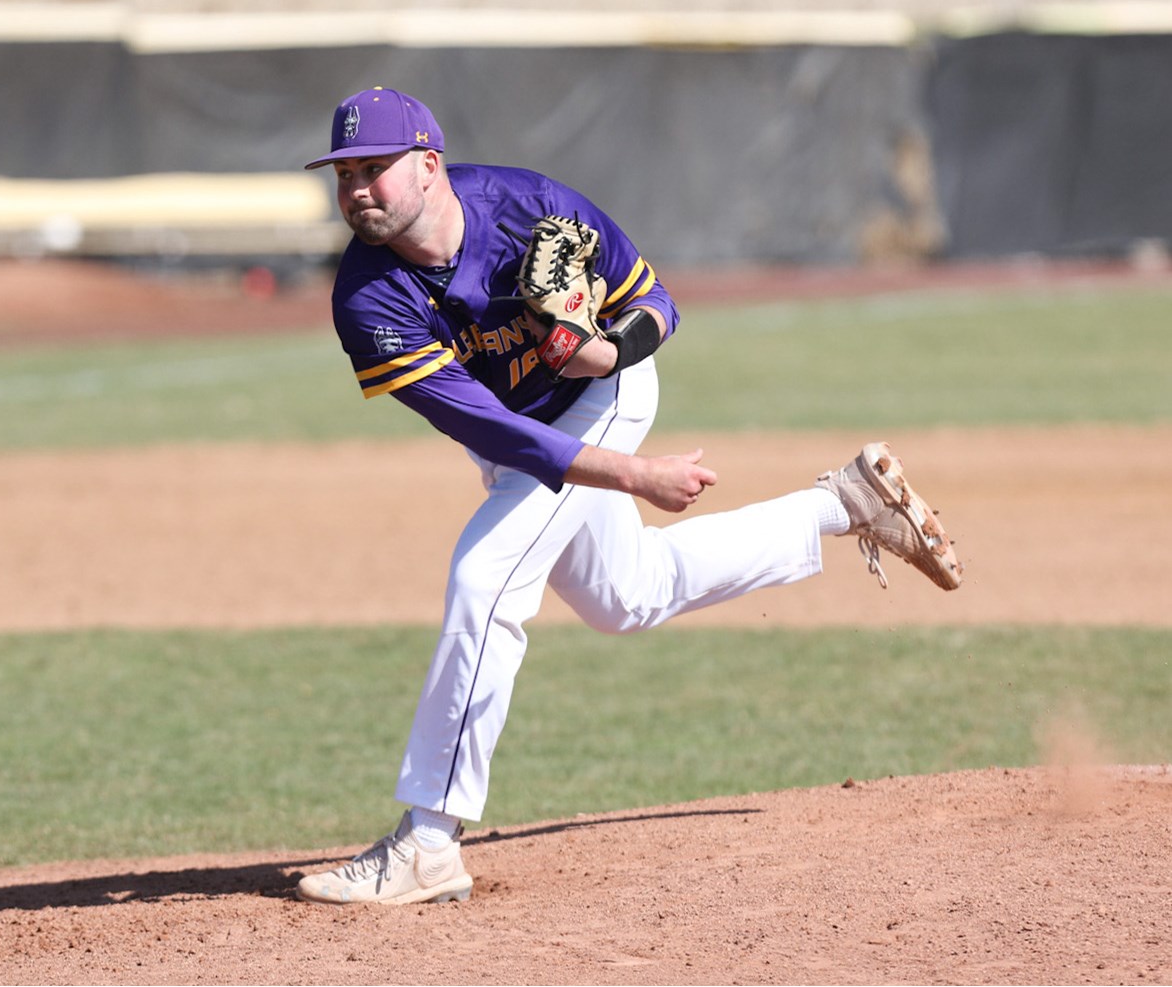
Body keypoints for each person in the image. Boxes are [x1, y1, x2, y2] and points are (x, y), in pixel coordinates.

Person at [295, 87, 962, 906]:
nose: (357, 188)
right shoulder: (365, 298)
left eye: (375, 168)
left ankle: (430, 839)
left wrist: (607, 353)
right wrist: (632, 476)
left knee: (485, 579)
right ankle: (845, 504)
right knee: (627, 595)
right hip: (523, 434)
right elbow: (498, 434)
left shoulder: (529, 206)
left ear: (430, 165)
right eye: (345, 173)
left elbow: (657, 303)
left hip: (605, 399)